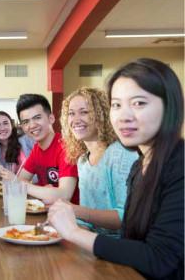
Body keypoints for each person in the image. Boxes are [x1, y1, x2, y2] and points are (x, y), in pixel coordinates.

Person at [48, 58, 184, 279]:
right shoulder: (141, 165)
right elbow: (131, 240)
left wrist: (73, 231)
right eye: (117, 105)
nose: (124, 115)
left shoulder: (178, 166)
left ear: (170, 106)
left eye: (139, 103)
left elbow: (160, 259)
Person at [60, 87, 138, 236]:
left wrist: (75, 210)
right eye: (71, 113)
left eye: (84, 112)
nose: (76, 120)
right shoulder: (83, 161)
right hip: (93, 242)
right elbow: (86, 222)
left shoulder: (120, 154)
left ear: (101, 115)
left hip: (122, 248)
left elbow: (126, 217)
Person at [0, 94, 78, 203]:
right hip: (45, 213)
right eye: (26, 122)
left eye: (37, 118)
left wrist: (21, 184)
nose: (32, 125)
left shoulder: (66, 147)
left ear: (51, 118)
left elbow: (64, 195)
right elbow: (21, 180)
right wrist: (38, 189)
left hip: (71, 217)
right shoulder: (37, 149)